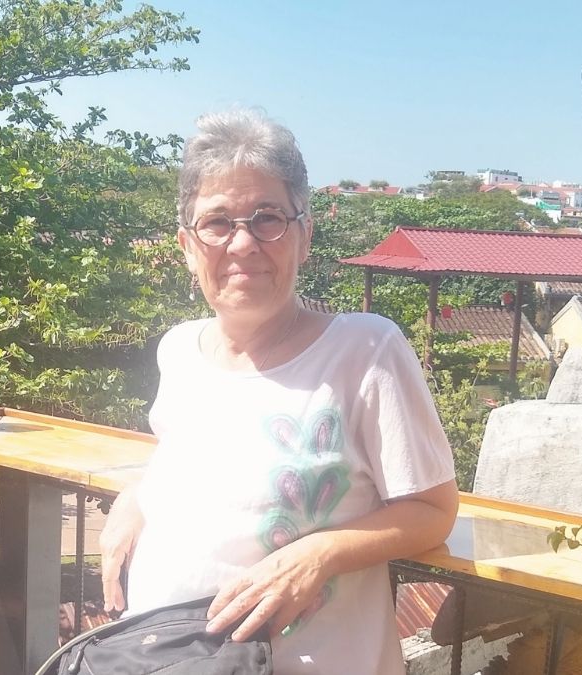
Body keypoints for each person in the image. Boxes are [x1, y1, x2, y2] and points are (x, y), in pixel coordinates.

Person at [99, 109, 459, 675]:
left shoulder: (365, 353)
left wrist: (317, 554)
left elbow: (433, 510)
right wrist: (136, 499)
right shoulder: (179, 350)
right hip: (167, 660)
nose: (242, 244)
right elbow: (192, 462)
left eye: (267, 218)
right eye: (217, 223)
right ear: (188, 246)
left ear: (305, 234)